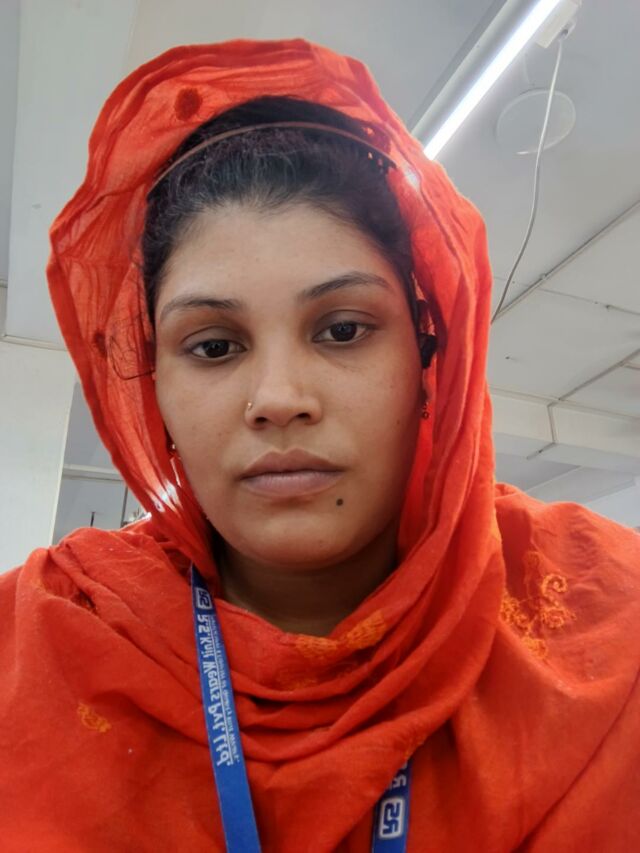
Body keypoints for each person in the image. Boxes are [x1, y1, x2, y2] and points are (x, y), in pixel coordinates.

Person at [1, 38, 638, 852]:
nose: (278, 399)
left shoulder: (609, 626)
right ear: (153, 388)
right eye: (214, 346)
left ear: (427, 361)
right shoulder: (39, 642)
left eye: (342, 330)